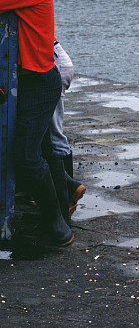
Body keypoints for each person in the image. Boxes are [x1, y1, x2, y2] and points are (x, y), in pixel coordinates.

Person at [0, 0, 75, 246]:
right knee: (41, 147)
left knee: (26, 155)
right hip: (29, 82)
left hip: (42, 81)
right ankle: (66, 195)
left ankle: (57, 227)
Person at [41, 39, 85, 218]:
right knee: (48, 133)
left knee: (53, 135)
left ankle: (67, 196)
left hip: (53, 65)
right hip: (54, 60)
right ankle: (67, 192)